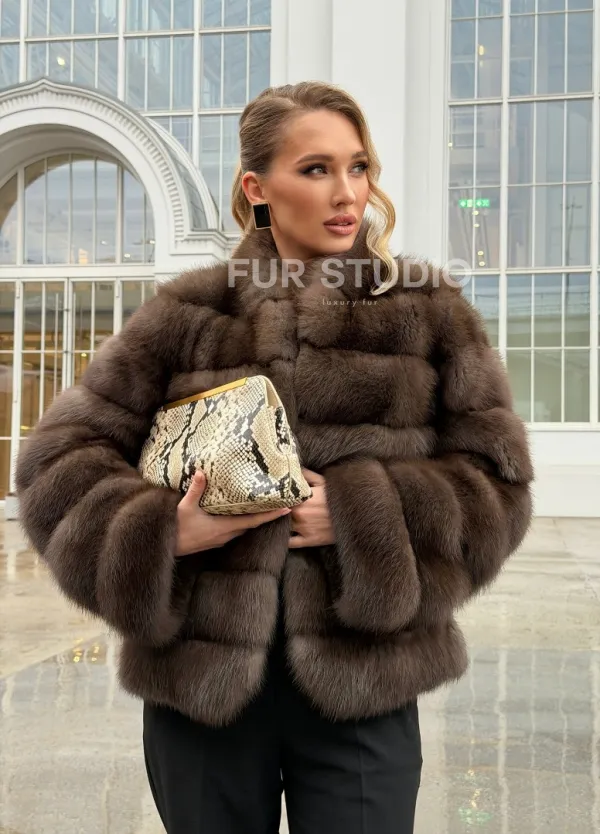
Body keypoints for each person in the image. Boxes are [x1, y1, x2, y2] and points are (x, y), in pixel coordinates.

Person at [15, 81, 534, 834]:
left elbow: (499, 479)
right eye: (316, 169)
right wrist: (164, 531)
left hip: (365, 684)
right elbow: (56, 463)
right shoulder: (188, 313)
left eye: (358, 167)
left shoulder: (428, 310)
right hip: (203, 690)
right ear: (258, 188)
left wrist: (359, 516)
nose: (347, 192)